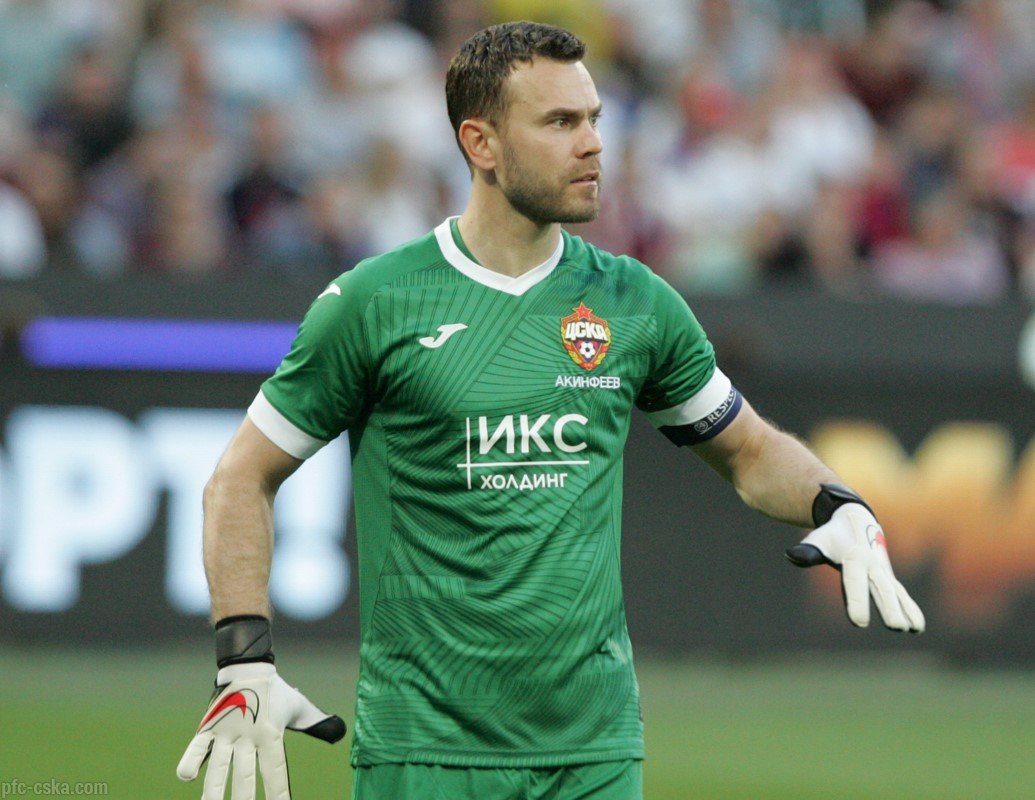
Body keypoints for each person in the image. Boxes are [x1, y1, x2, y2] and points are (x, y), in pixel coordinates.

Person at [177, 21, 925, 800]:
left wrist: (833, 500)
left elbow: (747, 451)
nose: (593, 143)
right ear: (481, 143)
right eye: (560, 122)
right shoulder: (375, 303)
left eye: (594, 118)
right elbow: (240, 478)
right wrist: (244, 660)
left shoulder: (634, 303)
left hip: (593, 755)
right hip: (425, 752)